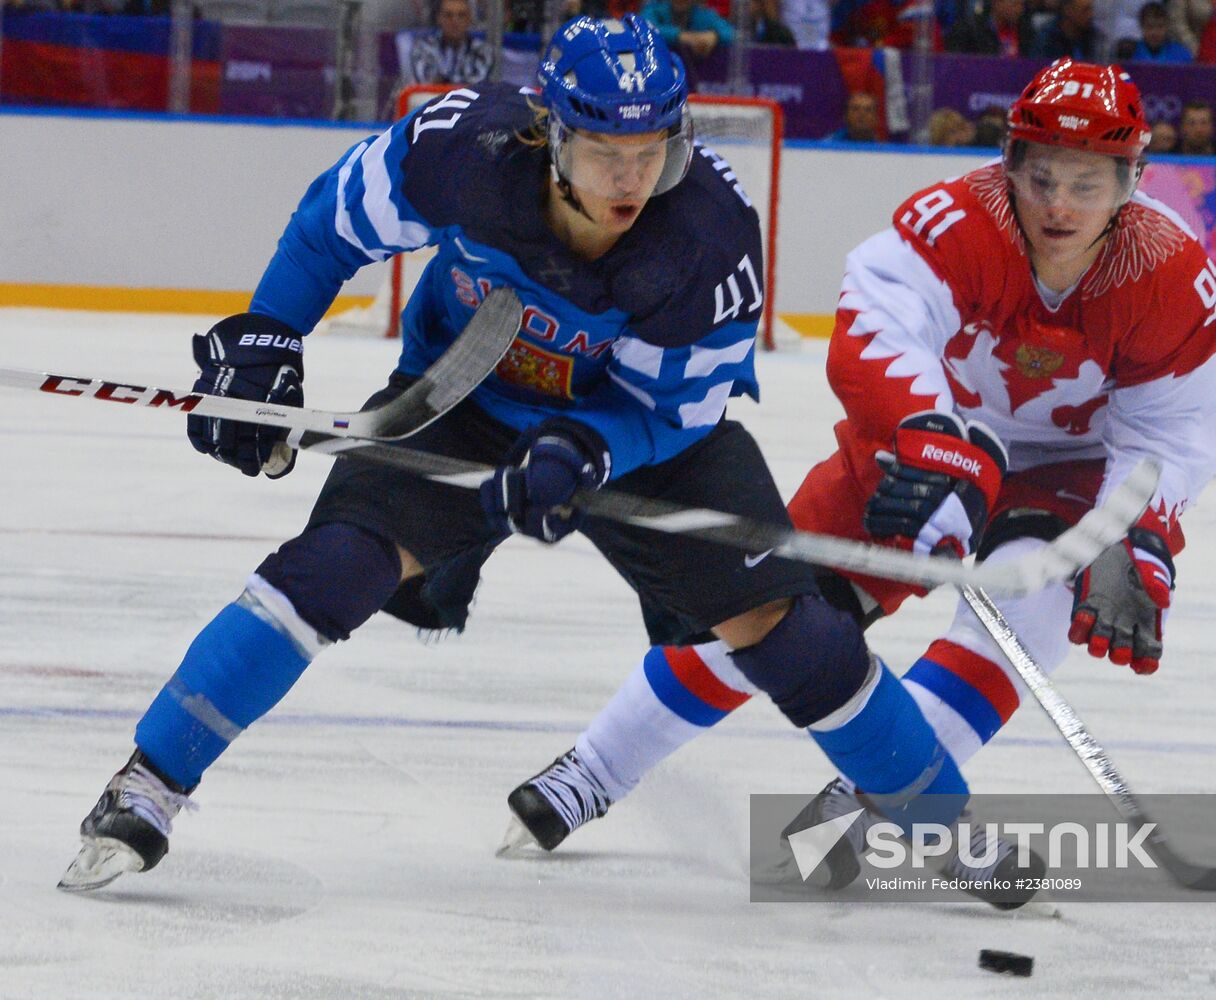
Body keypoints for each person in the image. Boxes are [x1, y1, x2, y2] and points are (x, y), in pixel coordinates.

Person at [61, 15, 981, 893]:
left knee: (787, 630)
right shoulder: (460, 147)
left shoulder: (707, 239)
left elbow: (678, 411)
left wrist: (587, 446)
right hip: (465, 397)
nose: (629, 179)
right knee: (336, 566)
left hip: (640, 436)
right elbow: (328, 227)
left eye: (649, 151)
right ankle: (147, 786)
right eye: (602, 152)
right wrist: (268, 336)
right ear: (549, 132)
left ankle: (946, 826)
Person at [505, 57, 1216, 895]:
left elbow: (1170, 432)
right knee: (764, 609)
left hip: (1066, 473)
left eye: (1089, 184)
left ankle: (868, 806)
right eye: (1041, 178)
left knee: (1028, 609)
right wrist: (935, 442)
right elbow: (873, 329)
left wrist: (1127, 532)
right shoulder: (954, 222)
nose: (1060, 207)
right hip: (919, 448)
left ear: (1130, 181)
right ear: (1008, 163)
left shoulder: (1171, 275)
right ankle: (592, 768)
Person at [403, 0, 494, 86]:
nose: (455, 21)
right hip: (431, 101)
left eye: (461, 15)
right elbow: (425, 82)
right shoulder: (423, 48)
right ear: (438, 18)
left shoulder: (482, 50)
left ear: (469, 19)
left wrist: (443, 81)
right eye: (448, 15)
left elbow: (478, 85)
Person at [641, 0, 733, 63]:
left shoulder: (702, 13)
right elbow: (644, 28)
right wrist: (681, 36)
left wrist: (714, 36)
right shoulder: (655, 8)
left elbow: (732, 33)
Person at [943, 0, 1037, 57]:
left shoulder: (1026, 30)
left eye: (1021, 5)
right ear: (997, 2)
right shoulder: (971, 30)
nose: (1020, 10)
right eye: (1015, 4)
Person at [1031, 0, 1104, 61]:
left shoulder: (1094, 36)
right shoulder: (1047, 38)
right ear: (1068, 10)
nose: (1091, 15)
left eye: (1091, 9)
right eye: (1085, 10)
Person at [1124, 1, 1193, 61]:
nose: (1155, 32)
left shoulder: (1182, 54)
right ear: (1142, 27)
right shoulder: (1131, 54)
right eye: (1150, 27)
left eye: (1160, 27)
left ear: (1167, 27)